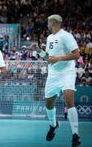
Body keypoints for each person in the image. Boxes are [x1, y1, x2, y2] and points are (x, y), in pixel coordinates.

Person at [30, 14, 81, 146]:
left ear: (52, 23)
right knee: (49, 104)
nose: (47, 25)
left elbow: (76, 54)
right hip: (53, 74)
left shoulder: (67, 36)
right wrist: (38, 51)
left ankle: (75, 135)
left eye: (48, 23)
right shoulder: (50, 38)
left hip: (67, 73)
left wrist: (58, 58)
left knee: (69, 100)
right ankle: (53, 125)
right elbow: (48, 57)